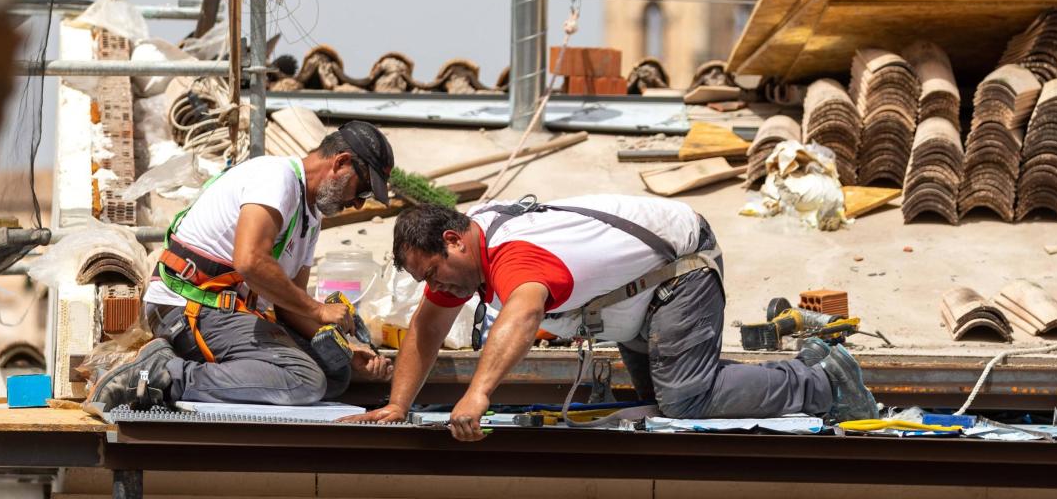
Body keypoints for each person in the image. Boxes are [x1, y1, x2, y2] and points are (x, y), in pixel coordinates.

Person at [345, 194, 878, 439]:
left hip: (677, 271)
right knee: (661, 403)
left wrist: (478, 393)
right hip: (638, 294)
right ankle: (812, 367)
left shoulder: (513, 254)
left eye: (435, 272)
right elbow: (428, 326)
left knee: (685, 399)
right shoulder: (469, 249)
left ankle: (823, 381)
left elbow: (523, 317)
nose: (436, 288)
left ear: (454, 240)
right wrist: (397, 405)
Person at [85, 122, 398, 412]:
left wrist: (346, 349)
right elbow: (250, 262)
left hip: (227, 313)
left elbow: (289, 305)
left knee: (335, 374)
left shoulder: (311, 217)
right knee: (306, 381)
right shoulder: (278, 179)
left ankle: (180, 371)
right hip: (188, 307)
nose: (358, 204)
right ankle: (163, 374)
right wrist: (319, 311)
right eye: (363, 190)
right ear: (341, 163)